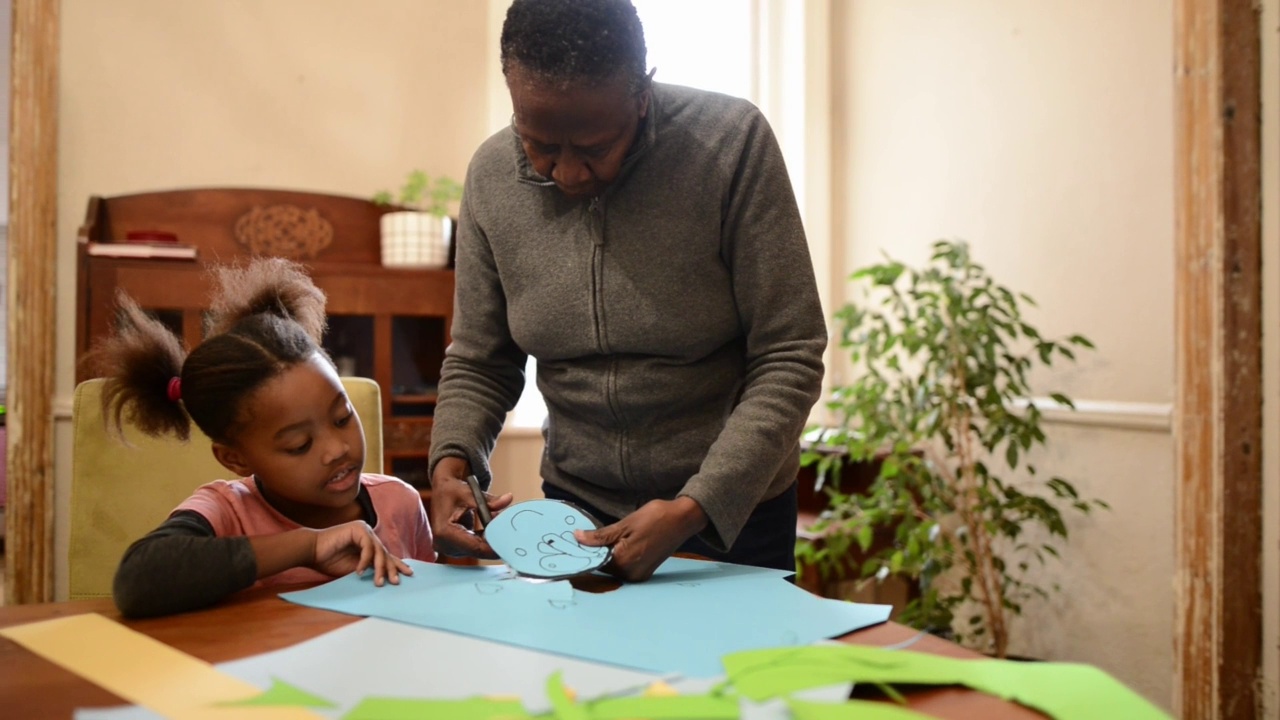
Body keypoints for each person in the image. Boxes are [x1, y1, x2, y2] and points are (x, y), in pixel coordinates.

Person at [427, 0, 827, 582]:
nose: (567, 173)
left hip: (731, 515)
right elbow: (480, 359)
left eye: (592, 148)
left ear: (642, 96)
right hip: (575, 514)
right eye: (539, 145)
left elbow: (789, 353)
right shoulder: (490, 176)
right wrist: (452, 462)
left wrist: (696, 507)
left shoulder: (731, 145)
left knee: (726, 675)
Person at [97, 258, 435, 618]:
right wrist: (308, 546)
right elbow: (138, 580)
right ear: (235, 459)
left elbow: (432, 605)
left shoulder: (400, 503)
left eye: (342, 418)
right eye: (299, 446)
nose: (337, 449)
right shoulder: (228, 512)